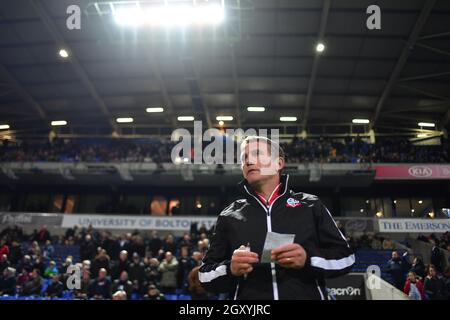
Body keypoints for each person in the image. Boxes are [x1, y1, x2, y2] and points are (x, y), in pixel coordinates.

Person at [199, 136, 355, 300]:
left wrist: (308, 259)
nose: (249, 161)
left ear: (279, 163)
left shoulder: (311, 205)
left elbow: (347, 258)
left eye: (257, 154)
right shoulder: (229, 214)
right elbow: (204, 275)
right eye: (244, 158)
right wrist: (230, 268)